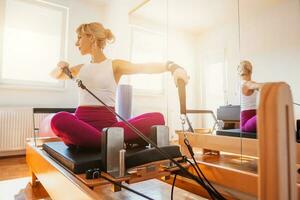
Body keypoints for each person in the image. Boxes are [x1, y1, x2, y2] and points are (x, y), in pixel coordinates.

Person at [50, 22, 189, 149]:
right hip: (83, 126)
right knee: (58, 119)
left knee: (158, 117)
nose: (76, 43)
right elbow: (55, 75)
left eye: (79, 37)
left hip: (110, 127)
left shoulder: (114, 65)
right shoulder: (80, 68)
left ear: (91, 37)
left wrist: (172, 67)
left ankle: (99, 142)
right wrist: (60, 67)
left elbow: (143, 67)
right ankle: (108, 142)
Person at [238, 60, 263, 133]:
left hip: (254, 117)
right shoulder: (246, 84)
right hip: (246, 123)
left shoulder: (252, 84)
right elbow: (262, 86)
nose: (243, 77)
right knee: (266, 114)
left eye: (243, 74)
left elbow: (263, 88)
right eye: (242, 74)